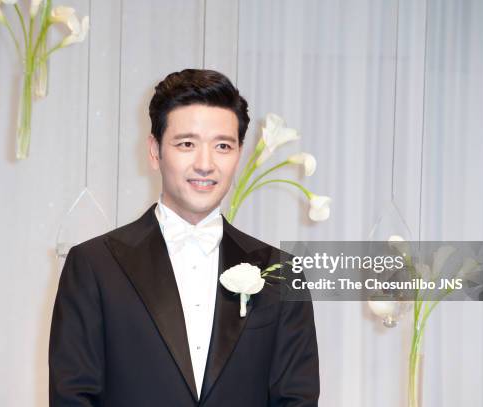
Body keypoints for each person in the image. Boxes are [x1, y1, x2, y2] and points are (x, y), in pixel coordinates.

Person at [49, 69, 320, 406]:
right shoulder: (93, 265)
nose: (205, 164)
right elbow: (73, 397)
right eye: (187, 144)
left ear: (239, 154)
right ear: (154, 150)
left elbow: (296, 399)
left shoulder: (282, 272)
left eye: (223, 145)